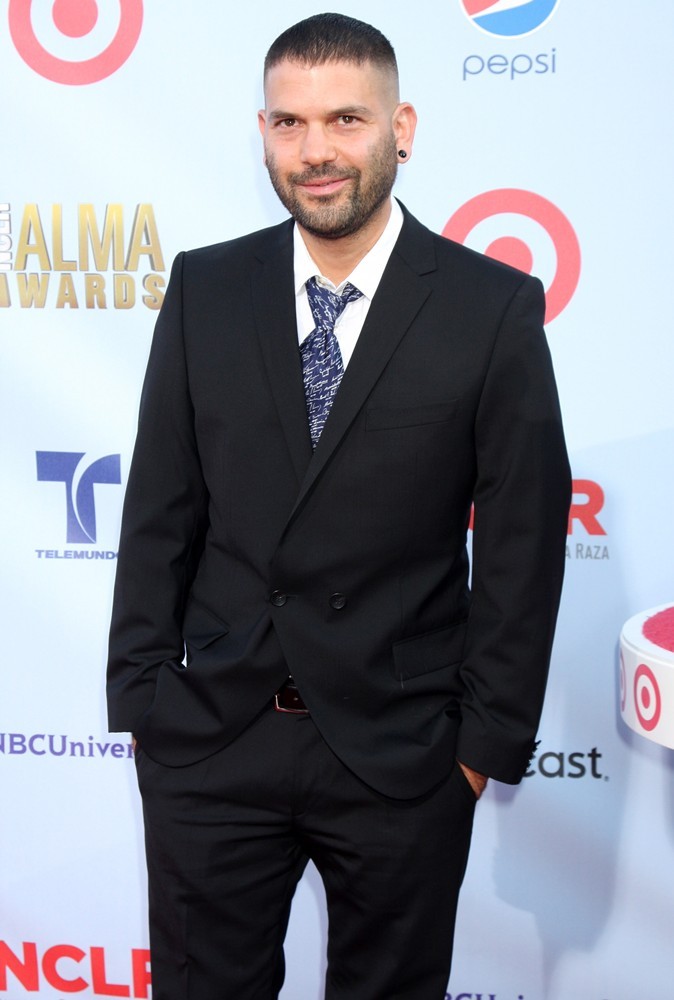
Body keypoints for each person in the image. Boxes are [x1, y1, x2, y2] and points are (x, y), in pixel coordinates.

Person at [107, 12, 571, 1000]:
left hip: (401, 757)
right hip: (214, 742)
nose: (315, 151)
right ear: (263, 131)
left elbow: (523, 549)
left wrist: (476, 756)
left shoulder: (489, 309)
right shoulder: (204, 289)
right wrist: (146, 706)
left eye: (345, 118)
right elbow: (158, 516)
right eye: (289, 123)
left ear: (400, 126)